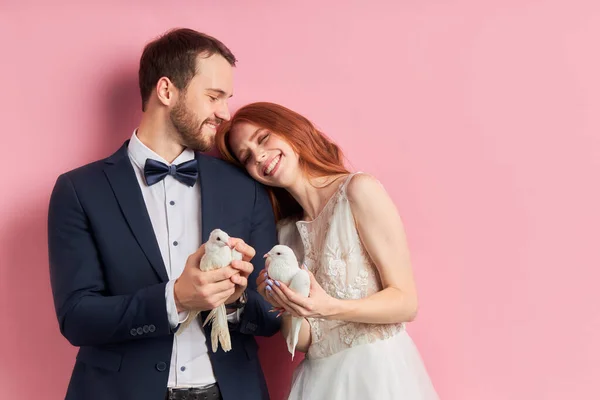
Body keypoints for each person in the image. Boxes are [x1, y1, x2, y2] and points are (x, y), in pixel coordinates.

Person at [47, 29, 279, 400]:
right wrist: (175, 299)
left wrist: (235, 301)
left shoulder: (244, 187)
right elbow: (77, 317)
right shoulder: (78, 191)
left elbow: (272, 315)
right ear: (167, 91)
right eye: (214, 96)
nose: (225, 113)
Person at [216, 102, 439, 399]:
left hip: (378, 374)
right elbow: (307, 341)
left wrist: (329, 307)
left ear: (290, 129)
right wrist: (284, 305)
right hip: (320, 382)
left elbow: (406, 302)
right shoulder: (284, 234)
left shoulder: (358, 192)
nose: (260, 156)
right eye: (247, 157)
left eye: (263, 138)